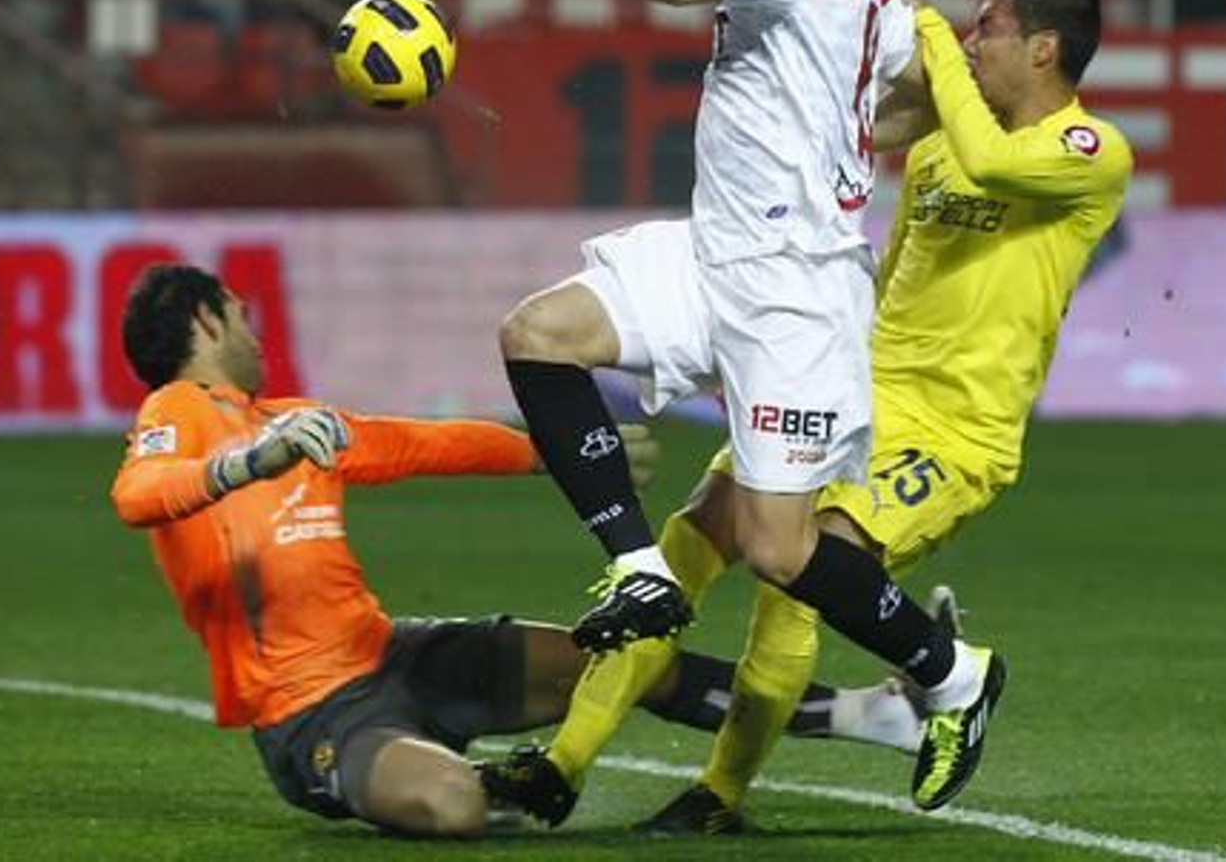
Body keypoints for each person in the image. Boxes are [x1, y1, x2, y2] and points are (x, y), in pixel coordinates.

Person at [480, 0, 1133, 831]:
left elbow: (987, 163)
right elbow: (862, 161)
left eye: (991, 27)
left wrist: (929, 30)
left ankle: (724, 790)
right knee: (692, 541)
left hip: (954, 429)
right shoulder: (944, 131)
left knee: (799, 564)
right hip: (855, 383)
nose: (974, 41)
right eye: (971, 26)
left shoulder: (1087, 149)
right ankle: (558, 767)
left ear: (1045, 49)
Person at [482, 0, 1001, 809]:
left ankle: (953, 675)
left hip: (793, 302)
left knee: (777, 548)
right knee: (539, 333)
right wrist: (842, 137)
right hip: (716, 256)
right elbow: (927, 96)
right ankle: (636, 564)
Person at [108, 262, 932, 838]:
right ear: (208, 319)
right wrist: (251, 463)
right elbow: (137, 497)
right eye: (242, 315)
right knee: (453, 807)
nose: (256, 332)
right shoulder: (178, 410)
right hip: (315, 714)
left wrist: (556, 453)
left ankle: (872, 713)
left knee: (626, 662)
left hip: (398, 653)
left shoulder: (290, 417)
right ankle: (436, 774)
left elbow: (421, 444)